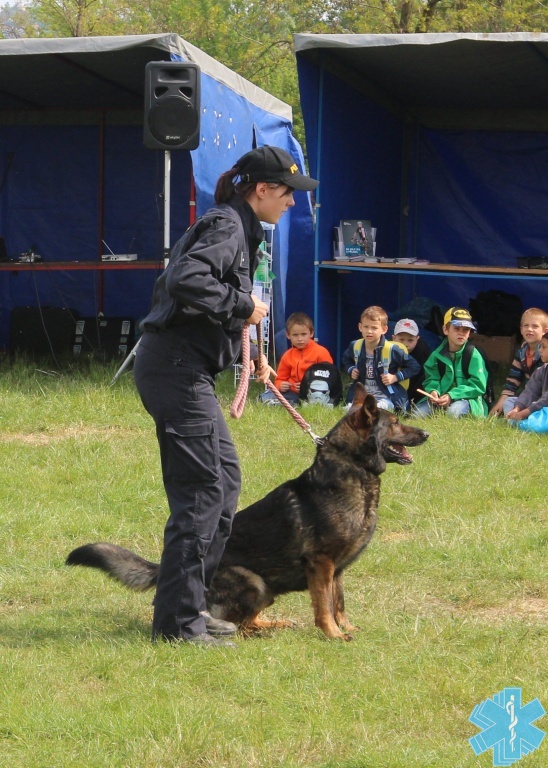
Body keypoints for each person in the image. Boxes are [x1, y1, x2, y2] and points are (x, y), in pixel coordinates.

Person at [133, 146, 318, 645]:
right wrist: (243, 304)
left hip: (186, 369)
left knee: (225, 480)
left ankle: (191, 605)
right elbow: (185, 279)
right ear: (263, 189)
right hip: (174, 370)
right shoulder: (227, 227)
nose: (292, 203)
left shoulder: (240, 227)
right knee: (203, 491)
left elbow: (201, 302)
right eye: (288, 193)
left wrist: (248, 352)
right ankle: (177, 624)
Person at [341, 305, 420, 410]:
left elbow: (414, 366)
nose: (369, 331)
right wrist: (351, 369)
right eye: (366, 327)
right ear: (360, 327)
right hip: (363, 394)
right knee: (349, 410)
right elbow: (346, 359)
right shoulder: (356, 346)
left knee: (376, 409)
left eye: (374, 328)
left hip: (386, 396)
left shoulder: (392, 350)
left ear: (384, 329)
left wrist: (395, 377)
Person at [414, 307, 488, 418]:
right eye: (457, 328)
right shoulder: (436, 355)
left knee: (453, 413)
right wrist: (434, 391)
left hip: (467, 399)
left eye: (465, 330)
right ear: (445, 330)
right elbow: (431, 378)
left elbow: (478, 385)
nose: (461, 333)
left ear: (469, 333)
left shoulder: (473, 355)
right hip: (440, 399)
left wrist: (452, 395)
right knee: (417, 415)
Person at [260, 312, 333, 405]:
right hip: (292, 391)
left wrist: (307, 386)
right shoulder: (287, 355)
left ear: (311, 333)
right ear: (288, 335)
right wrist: (280, 385)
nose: (300, 339)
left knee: (315, 400)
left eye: (303, 334)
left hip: (315, 393)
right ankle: (285, 402)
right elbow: (280, 378)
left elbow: (330, 378)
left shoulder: (321, 352)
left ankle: (292, 403)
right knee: (266, 396)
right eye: (295, 335)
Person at [489, 307, 548, 416]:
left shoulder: (545, 355)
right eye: (526, 325)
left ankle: (522, 417)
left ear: (545, 331)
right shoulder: (521, 352)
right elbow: (513, 380)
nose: (529, 329)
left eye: (535, 326)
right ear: (521, 329)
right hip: (529, 396)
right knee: (508, 402)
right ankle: (515, 416)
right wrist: (501, 402)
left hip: (544, 399)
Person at [505, 332, 548, 423]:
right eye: (540, 346)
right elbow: (530, 391)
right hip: (538, 407)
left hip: (544, 408)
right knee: (509, 401)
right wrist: (517, 408)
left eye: (544, 347)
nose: (540, 350)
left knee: (539, 421)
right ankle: (517, 420)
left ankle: (519, 422)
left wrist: (525, 412)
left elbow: (546, 400)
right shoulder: (541, 370)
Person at [392, 318, 431, 405]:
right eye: (401, 339)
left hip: (416, 394)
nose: (405, 344)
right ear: (394, 338)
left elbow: (424, 381)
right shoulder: (387, 350)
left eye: (410, 340)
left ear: (417, 339)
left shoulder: (423, 354)